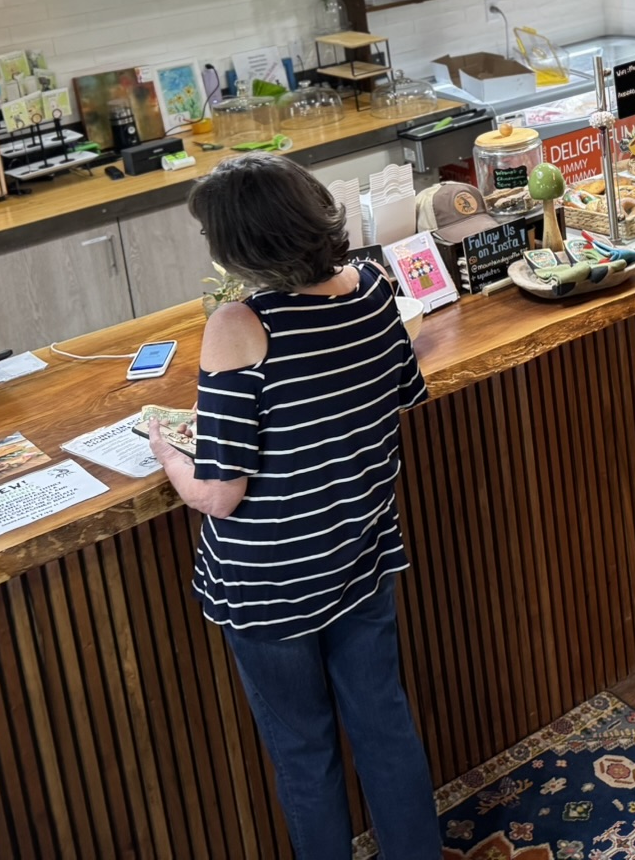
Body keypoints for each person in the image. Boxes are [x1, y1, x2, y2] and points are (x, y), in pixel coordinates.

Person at [147, 153, 440, 860]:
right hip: (360, 550)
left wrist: (170, 456)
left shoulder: (238, 325)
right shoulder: (373, 286)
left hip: (272, 580)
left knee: (306, 754)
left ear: (242, 246)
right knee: (384, 725)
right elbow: (403, 392)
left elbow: (220, 493)